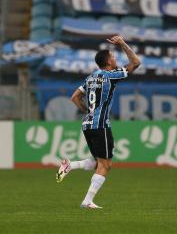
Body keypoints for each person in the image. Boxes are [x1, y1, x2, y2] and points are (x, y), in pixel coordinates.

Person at [56, 35, 141, 209]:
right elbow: (136, 63)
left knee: (98, 161)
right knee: (106, 164)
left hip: (88, 124)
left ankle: (70, 165)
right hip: (100, 125)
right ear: (108, 62)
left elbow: (74, 97)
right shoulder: (110, 76)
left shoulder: (91, 78)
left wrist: (88, 111)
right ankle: (87, 201)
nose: (116, 59)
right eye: (114, 57)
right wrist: (123, 43)